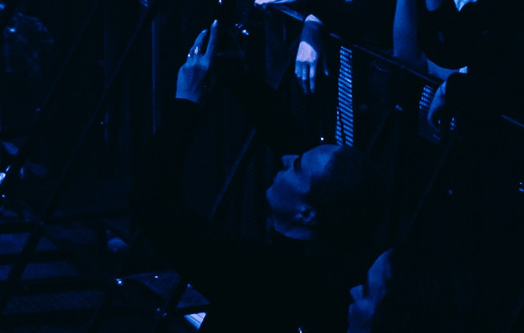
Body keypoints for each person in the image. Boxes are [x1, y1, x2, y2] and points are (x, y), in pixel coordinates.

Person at [133, 23, 371, 333]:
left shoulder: (255, 274)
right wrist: (240, 78)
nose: (285, 159)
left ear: (306, 214)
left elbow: (152, 204)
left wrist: (187, 101)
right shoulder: (339, 261)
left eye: (296, 167)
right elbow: (289, 140)